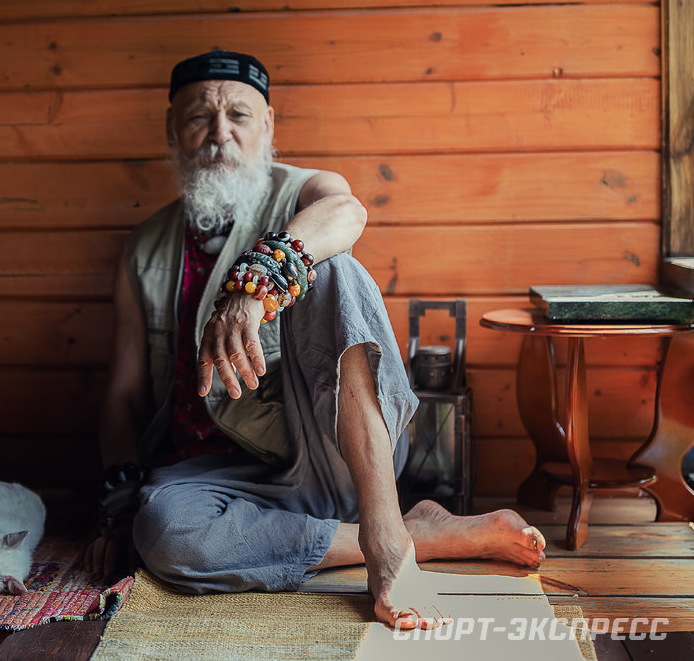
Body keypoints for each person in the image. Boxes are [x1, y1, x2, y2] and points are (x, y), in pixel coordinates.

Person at [85, 50, 547, 631]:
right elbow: (124, 395)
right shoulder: (144, 248)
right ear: (173, 129)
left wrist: (258, 286)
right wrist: (119, 501)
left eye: (239, 114)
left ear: (269, 125)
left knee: (332, 267)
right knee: (162, 533)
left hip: (331, 450)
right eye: (199, 117)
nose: (219, 133)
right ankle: (421, 533)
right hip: (225, 480)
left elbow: (346, 210)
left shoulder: (303, 191)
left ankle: (386, 538)